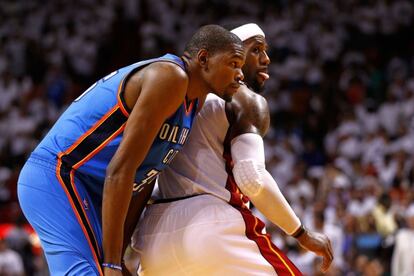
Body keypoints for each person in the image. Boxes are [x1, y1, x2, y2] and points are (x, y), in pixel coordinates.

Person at [17, 24, 245, 275]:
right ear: (204, 59)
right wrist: (111, 263)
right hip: (61, 173)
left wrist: (119, 256)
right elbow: (120, 170)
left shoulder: (195, 100)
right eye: (233, 63)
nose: (240, 74)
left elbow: (144, 177)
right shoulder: (171, 77)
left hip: (92, 188)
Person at [132, 23, 333, 275]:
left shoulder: (180, 99)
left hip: (154, 238)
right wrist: (301, 233)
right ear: (231, 56)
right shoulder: (244, 98)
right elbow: (251, 179)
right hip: (211, 225)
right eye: (256, 49)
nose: (266, 59)